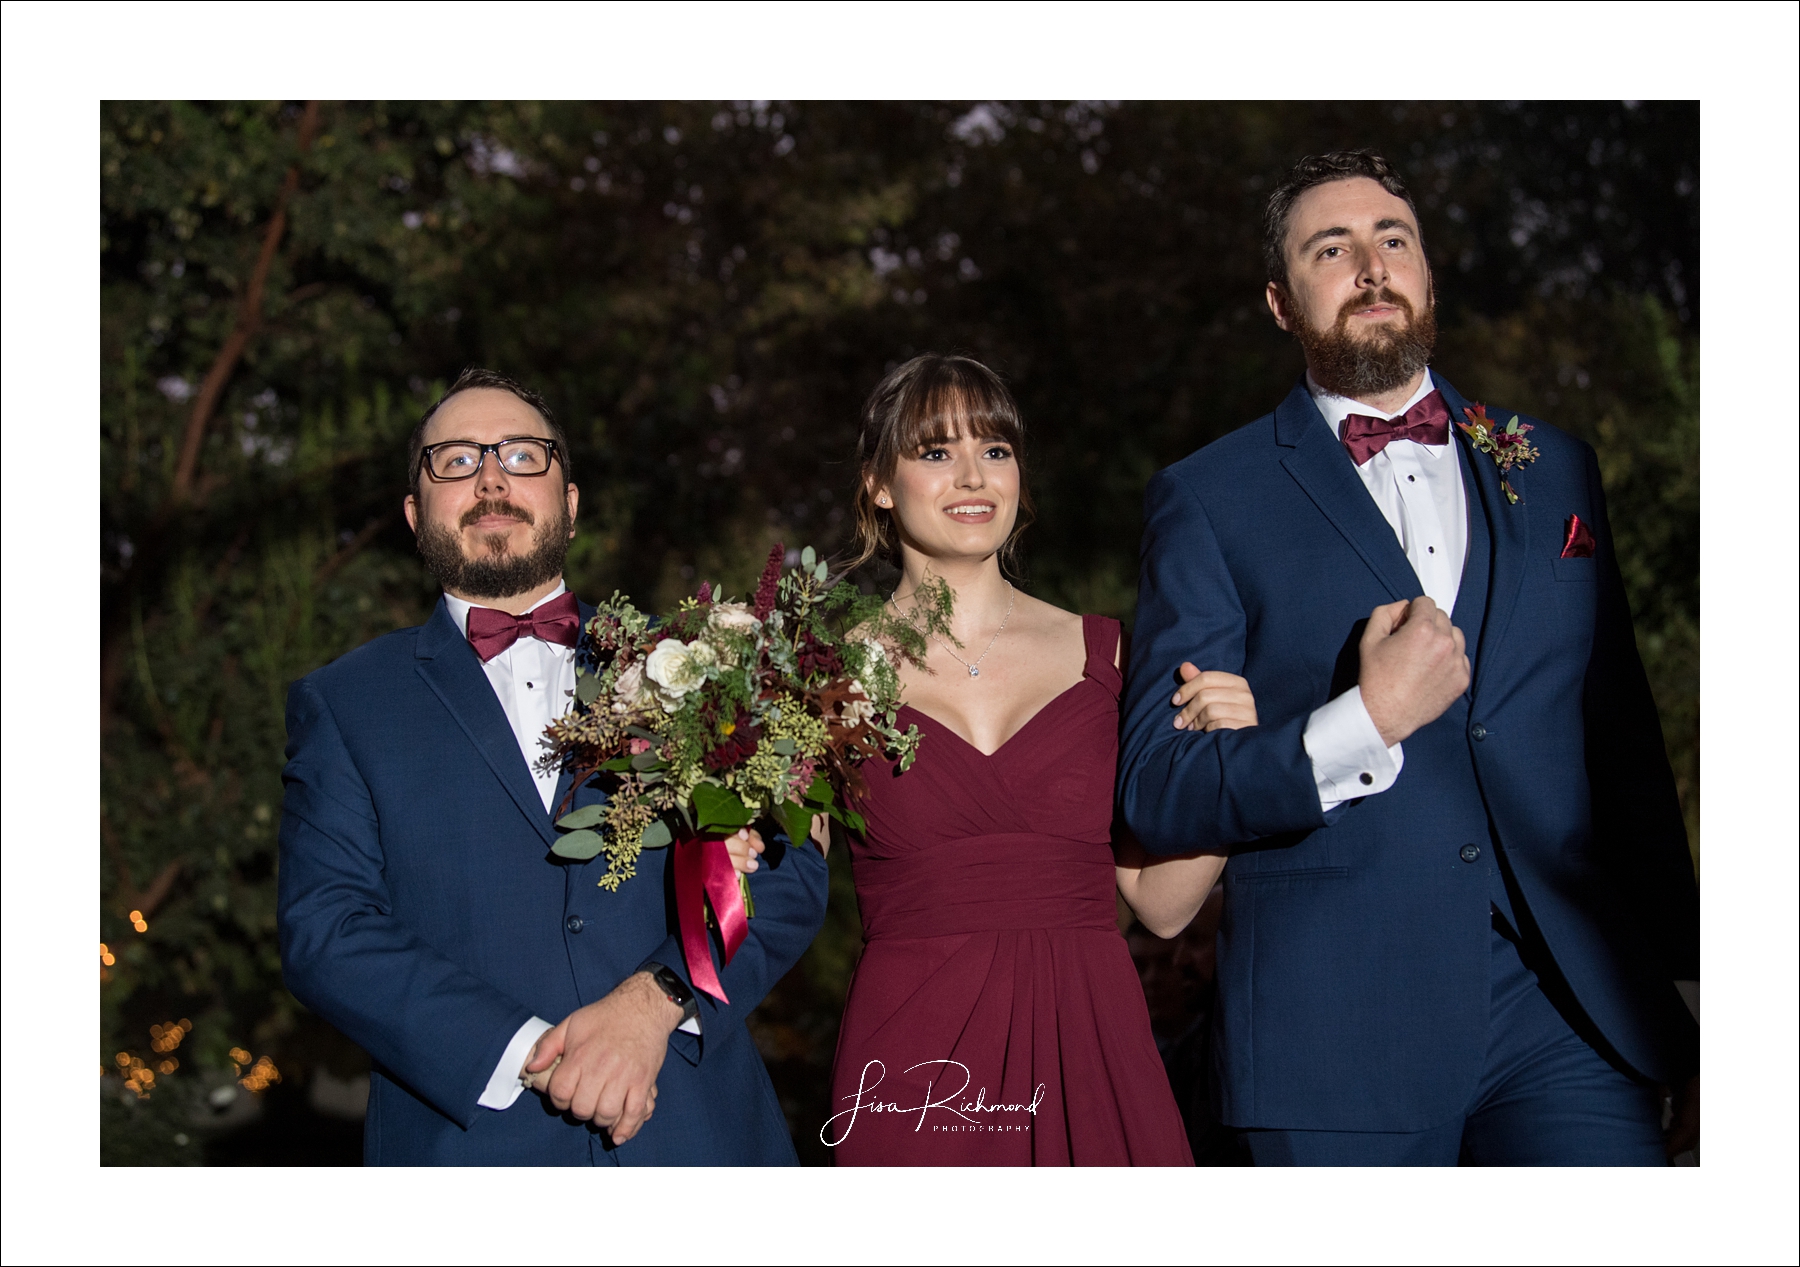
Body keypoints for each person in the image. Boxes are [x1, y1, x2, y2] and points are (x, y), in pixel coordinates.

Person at [1117, 151, 1700, 1165]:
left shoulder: (1555, 464)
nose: (1371, 266)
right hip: (1336, 1028)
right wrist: (1362, 722)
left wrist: (1691, 994)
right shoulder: (1208, 498)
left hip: (1574, 1017)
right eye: (1330, 249)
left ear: (1428, 277)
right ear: (1281, 302)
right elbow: (1159, 790)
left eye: (1394, 240)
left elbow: (1623, 749)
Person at [277, 368, 829, 1165]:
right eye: (456, 461)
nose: (492, 476)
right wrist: (533, 1051)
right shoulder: (345, 703)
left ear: (569, 502)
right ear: (413, 512)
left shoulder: (702, 665)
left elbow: (784, 873)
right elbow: (327, 931)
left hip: (700, 1141)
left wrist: (654, 1003)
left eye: (522, 456)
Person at [759, 354, 1231, 1165]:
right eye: (936, 451)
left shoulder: (1112, 655)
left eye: (997, 449)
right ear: (878, 483)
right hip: (911, 1066)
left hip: (1093, 1044)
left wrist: (1226, 765)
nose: (974, 475)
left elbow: (1161, 905)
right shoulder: (820, 677)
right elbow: (778, 892)